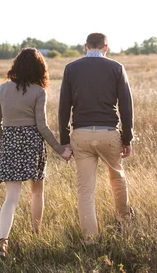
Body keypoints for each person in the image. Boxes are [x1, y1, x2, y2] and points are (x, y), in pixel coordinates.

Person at [0, 47, 72, 258]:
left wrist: (6, 142)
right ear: (39, 69)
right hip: (32, 144)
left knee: (11, 197)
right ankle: (36, 233)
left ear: (16, 66)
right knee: (37, 192)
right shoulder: (39, 92)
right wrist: (60, 149)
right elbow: (42, 126)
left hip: (9, 142)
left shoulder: (2, 89)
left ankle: (2, 240)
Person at [58, 32, 135, 244]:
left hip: (81, 135)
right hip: (109, 132)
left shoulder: (71, 68)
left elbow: (64, 107)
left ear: (85, 47)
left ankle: (90, 240)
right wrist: (127, 139)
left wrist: (65, 140)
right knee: (117, 178)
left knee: (85, 190)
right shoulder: (116, 68)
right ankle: (124, 220)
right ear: (105, 47)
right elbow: (126, 107)